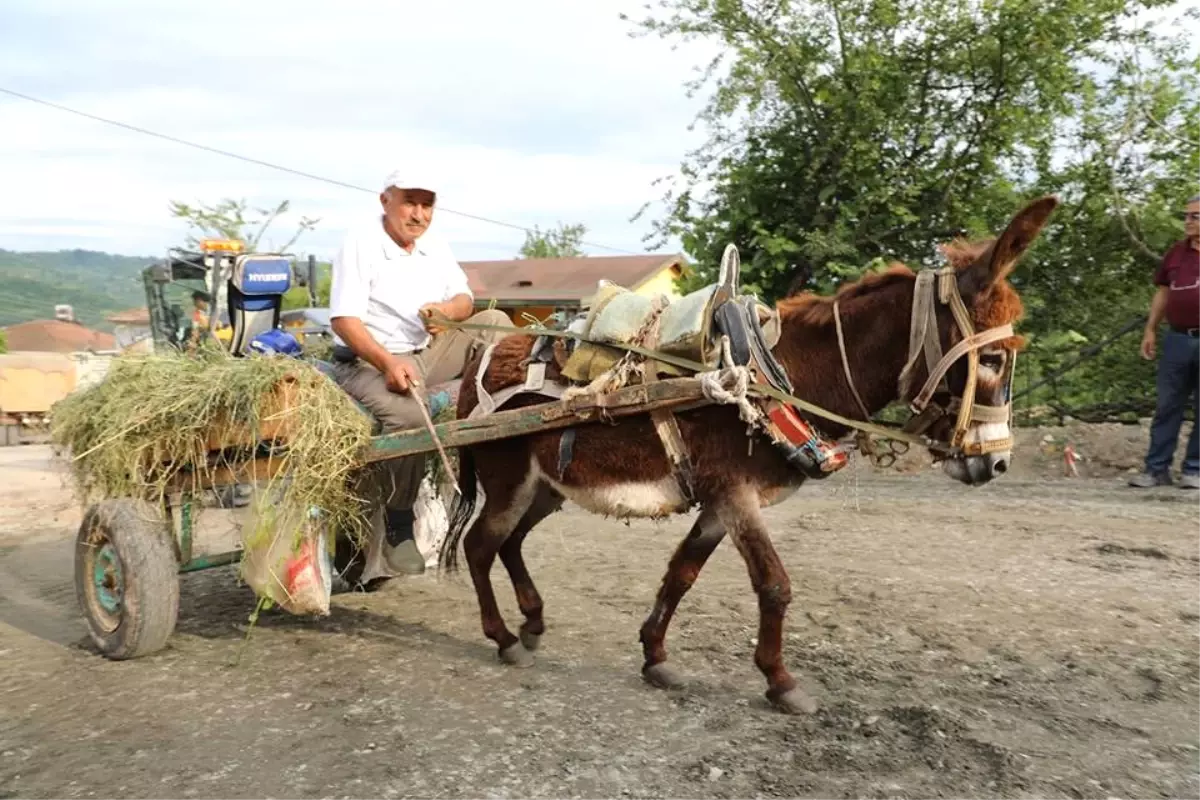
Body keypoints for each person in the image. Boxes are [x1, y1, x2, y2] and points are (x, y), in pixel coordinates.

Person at [328, 170, 512, 585]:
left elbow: (467, 300)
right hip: (367, 360)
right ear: (385, 200)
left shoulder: (435, 245)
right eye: (409, 201)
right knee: (412, 416)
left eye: (426, 204)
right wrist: (387, 363)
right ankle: (398, 523)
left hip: (426, 352)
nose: (418, 213)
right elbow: (344, 320)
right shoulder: (360, 244)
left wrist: (449, 313)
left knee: (497, 323)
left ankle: (501, 456)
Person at [1128, 194, 1200, 489]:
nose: (1187, 221)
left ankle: (1194, 470)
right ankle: (1156, 469)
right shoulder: (1176, 254)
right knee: (1168, 404)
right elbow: (1163, 293)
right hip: (1178, 339)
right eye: (1186, 216)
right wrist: (1150, 329)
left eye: (1194, 216)